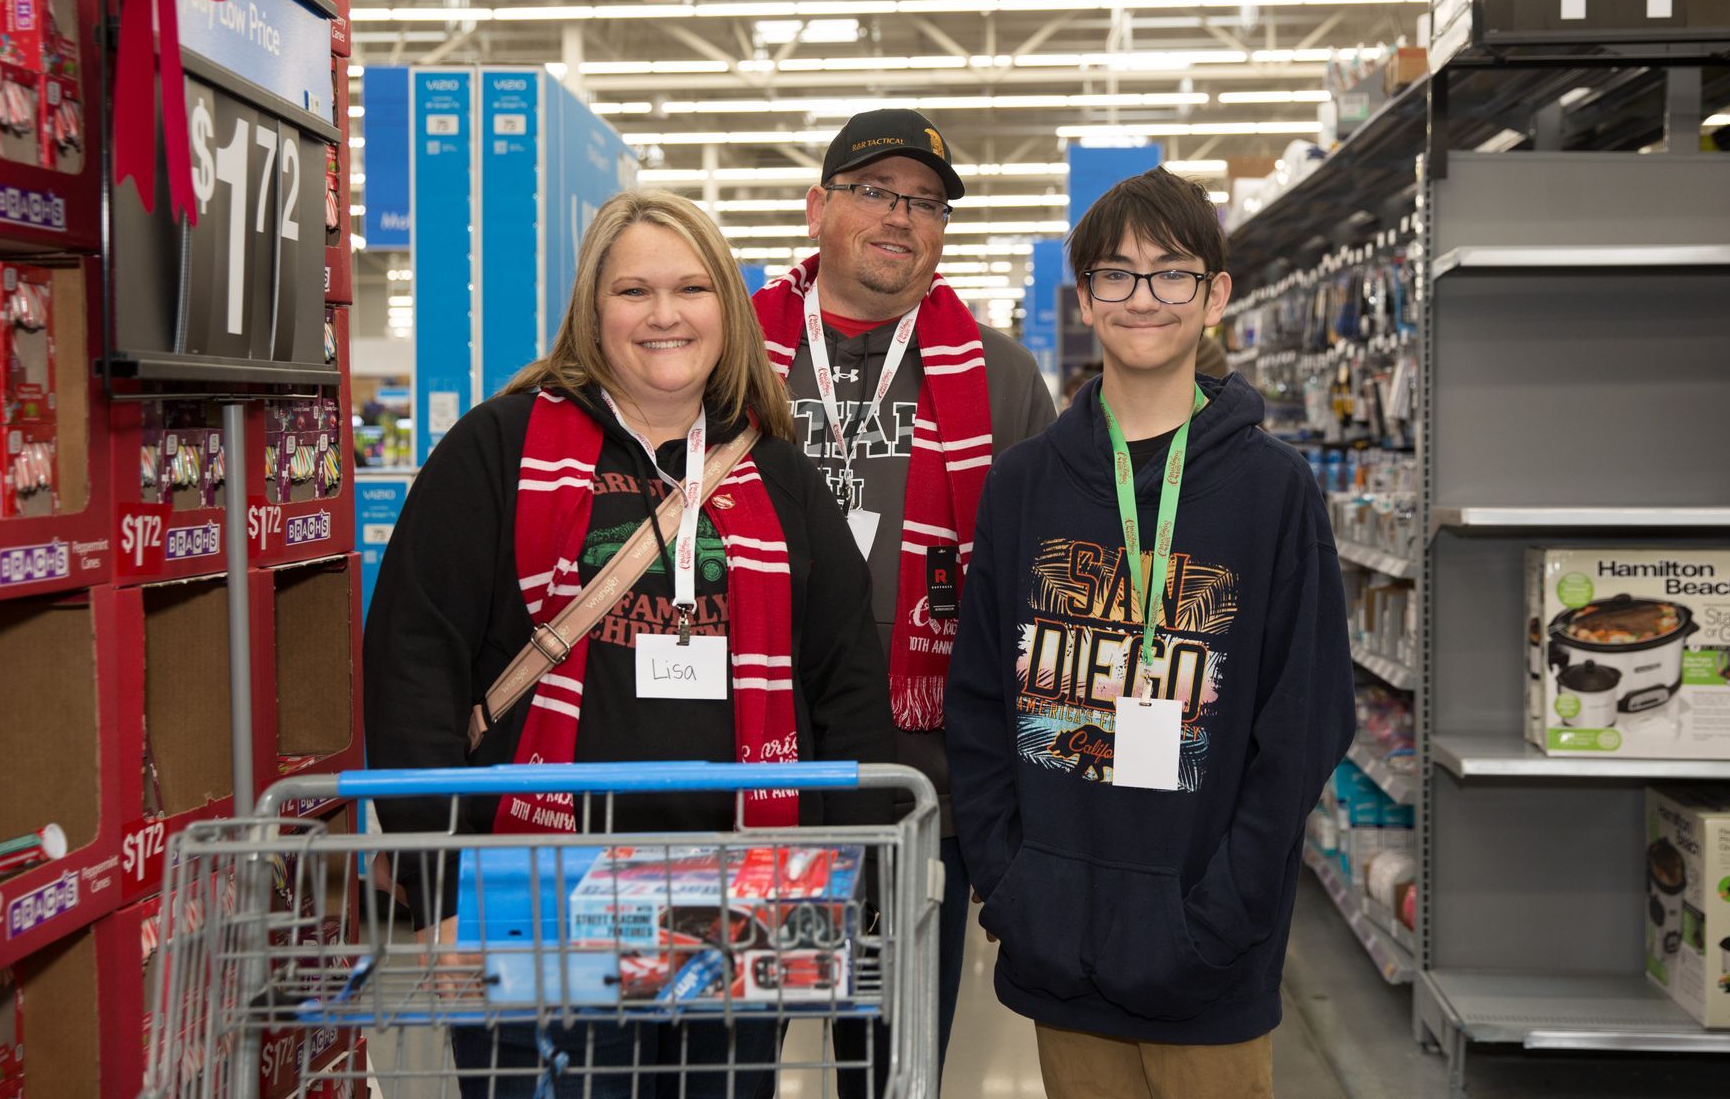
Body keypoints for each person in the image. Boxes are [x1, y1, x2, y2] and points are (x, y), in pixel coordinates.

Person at [364, 188, 897, 1099]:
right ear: (592, 310)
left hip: (742, 904)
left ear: (724, 310)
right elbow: (414, 663)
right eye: (633, 291)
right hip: (532, 903)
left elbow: (846, 686)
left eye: (691, 289)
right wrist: (437, 890)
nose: (664, 315)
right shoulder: (500, 448)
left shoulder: (779, 474)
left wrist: (853, 886)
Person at [944, 166, 1356, 1099]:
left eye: (1172, 272)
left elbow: (1305, 721)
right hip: (1059, 943)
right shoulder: (1024, 485)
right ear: (1084, 297)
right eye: (1117, 274)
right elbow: (977, 701)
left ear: (1217, 293)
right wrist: (1013, 883)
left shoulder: (1272, 490)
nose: (1144, 297)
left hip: (1208, 958)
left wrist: (1226, 909)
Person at [750, 108, 1058, 1082]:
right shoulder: (723, 356)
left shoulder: (1002, 377)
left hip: (926, 789)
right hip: (752, 768)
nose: (902, 217)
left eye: (926, 202)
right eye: (877, 190)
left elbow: (1038, 599)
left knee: (893, 1065)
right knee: (729, 1048)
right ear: (818, 208)